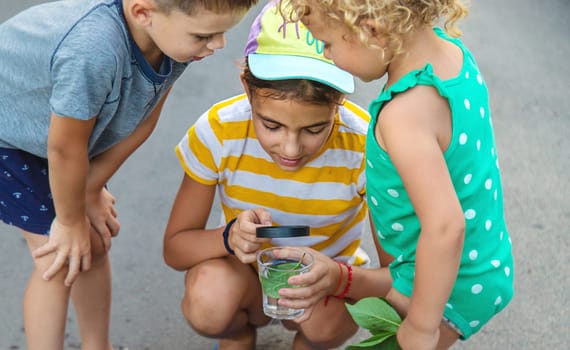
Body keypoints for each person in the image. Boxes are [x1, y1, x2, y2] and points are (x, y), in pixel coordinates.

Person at [0, 0, 258, 349]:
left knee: (92, 243)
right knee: (56, 257)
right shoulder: (92, 50)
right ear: (143, 12)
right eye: (204, 35)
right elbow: (64, 148)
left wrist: (90, 189)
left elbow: (144, 118)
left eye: (222, 33)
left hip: (59, 134)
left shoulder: (173, 43)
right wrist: (71, 218)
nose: (218, 45)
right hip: (11, 139)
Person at [273, 0, 516, 349]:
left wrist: (420, 324)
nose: (327, 56)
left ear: (370, 29)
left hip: (449, 283)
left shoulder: (404, 114)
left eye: (328, 44)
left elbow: (446, 227)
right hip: (473, 262)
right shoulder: (451, 54)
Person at [161, 1, 390, 349]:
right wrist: (228, 237)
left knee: (326, 328)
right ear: (247, 88)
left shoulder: (363, 146)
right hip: (245, 277)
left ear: (339, 102)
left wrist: (336, 278)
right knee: (209, 299)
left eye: (315, 128)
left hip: (325, 288)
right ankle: (237, 333)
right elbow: (176, 248)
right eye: (271, 125)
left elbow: (396, 277)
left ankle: (310, 342)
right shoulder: (219, 132)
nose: (291, 149)